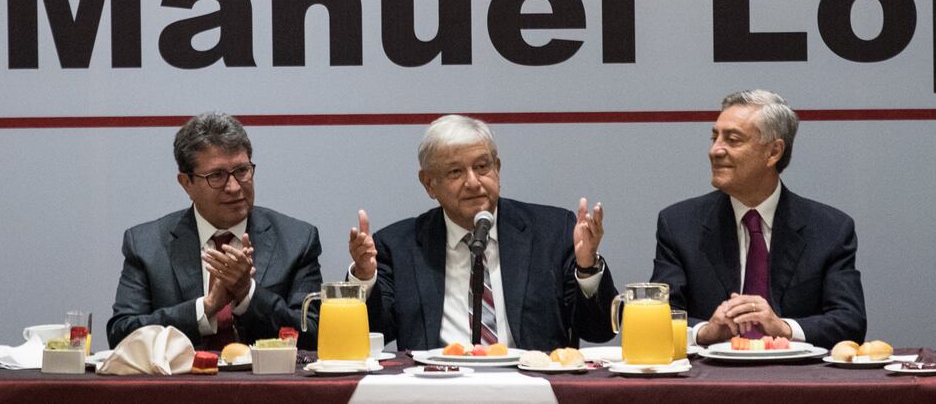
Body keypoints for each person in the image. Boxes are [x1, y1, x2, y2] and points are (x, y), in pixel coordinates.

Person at [347, 114, 618, 351]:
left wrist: (587, 268)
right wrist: (364, 278)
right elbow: (368, 336)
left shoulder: (552, 231)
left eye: (481, 166)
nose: (473, 182)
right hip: (434, 390)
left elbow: (599, 330)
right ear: (429, 183)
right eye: (455, 172)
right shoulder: (398, 245)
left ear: (497, 169)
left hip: (530, 390)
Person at [650, 90, 866, 348]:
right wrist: (705, 332)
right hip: (708, 380)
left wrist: (783, 328)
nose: (715, 150)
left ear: (773, 152)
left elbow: (850, 323)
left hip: (797, 381)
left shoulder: (830, 229)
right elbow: (657, 318)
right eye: (714, 137)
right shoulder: (679, 225)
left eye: (732, 139)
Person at [107, 112, 323, 349]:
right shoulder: (145, 245)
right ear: (186, 183)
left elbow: (312, 334)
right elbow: (122, 335)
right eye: (217, 176)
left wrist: (247, 293)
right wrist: (206, 308)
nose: (233, 187)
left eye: (242, 170)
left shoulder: (297, 240)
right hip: (181, 385)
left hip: (266, 384)